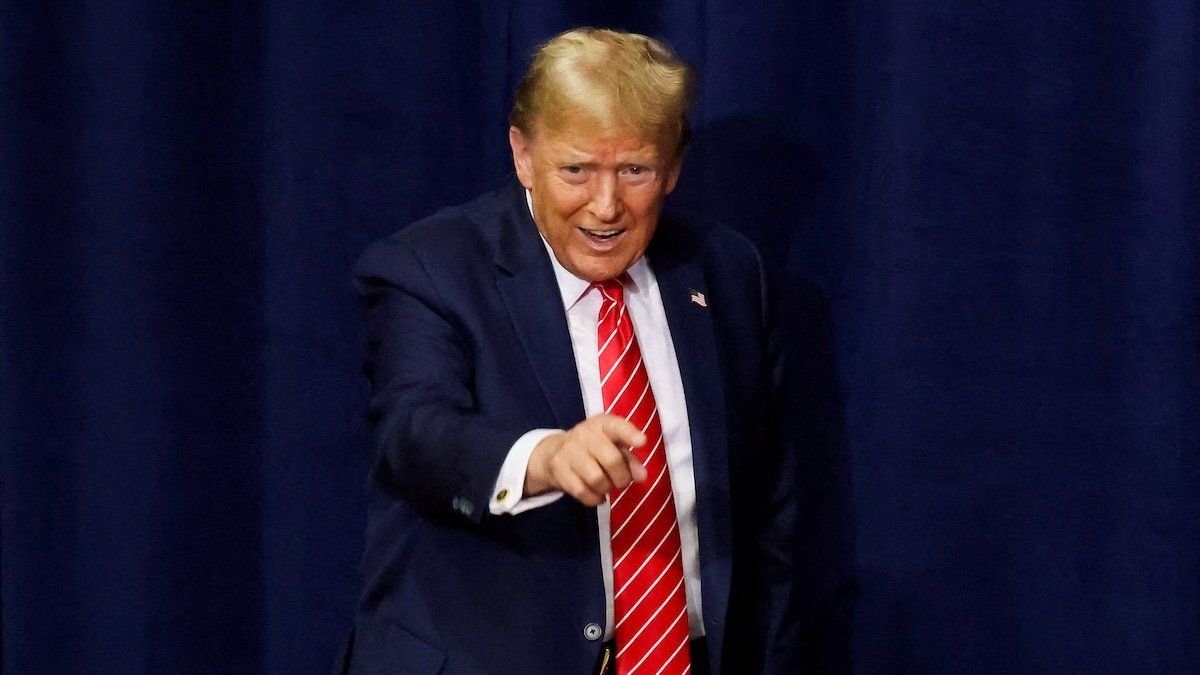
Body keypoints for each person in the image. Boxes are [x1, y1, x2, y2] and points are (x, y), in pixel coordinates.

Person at [340, 28, 799, 674]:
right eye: (576, 169)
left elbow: (766, 519)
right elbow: (412, 436)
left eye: (634, 170)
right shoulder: (431, 268)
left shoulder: (724, 271)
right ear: (523, 154)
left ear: (673, 167)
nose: (605, 205)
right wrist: (543, 458)